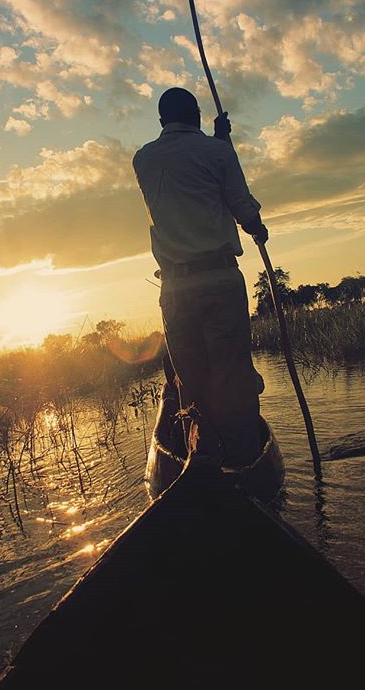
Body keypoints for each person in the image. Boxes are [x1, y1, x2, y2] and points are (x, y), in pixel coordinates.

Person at [132, 87, 269, 468]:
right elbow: (239, 204)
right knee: (231, 376)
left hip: (175, 287)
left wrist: (219, 142)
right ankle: (241, 465)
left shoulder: (143, 159)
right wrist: (257, 227)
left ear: (162, 121)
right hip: (219, 279)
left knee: (191, 379)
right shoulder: (218, 152)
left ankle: (201, 458)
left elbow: (190, 170)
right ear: (196, 114)